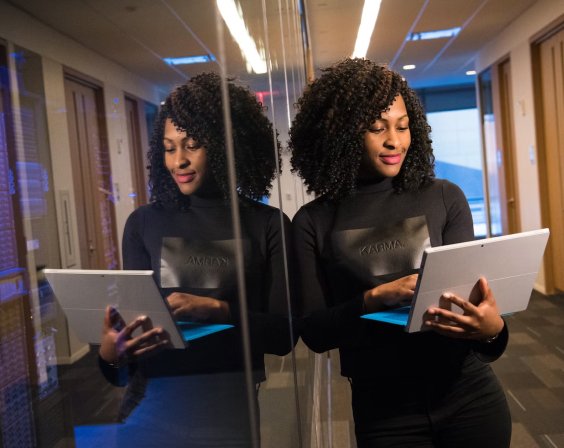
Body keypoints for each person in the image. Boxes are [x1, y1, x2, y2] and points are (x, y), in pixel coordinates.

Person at [289, 58, 511, 448]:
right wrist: (373, 299)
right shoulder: (313, 220)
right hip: (384, 410)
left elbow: (474, 305)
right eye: (377, 128)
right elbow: (314, 332)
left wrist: (493, 331)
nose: (395, 141)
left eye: (403, 125)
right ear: (341, 135)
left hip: (469, 394)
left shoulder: (445, 197)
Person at [94, 72, 296, 448]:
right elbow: (126, 357)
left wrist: (218, 310)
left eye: (191, 145)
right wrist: (111, 354)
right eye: (170, 148)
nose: (179, 161)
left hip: (229, 411)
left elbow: (283, 336)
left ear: (225, 145)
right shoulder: (143, 223)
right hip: (149, 407)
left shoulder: (266, 224)